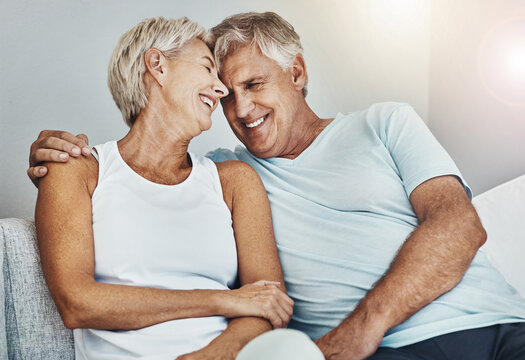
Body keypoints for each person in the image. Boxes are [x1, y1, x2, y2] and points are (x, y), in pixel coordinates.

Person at [29, 12, 525, 360]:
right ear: (158, 68)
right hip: (385, 353)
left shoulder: (384, 122)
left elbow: (458, 224)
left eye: (253, 85)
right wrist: (53, 156)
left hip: (492, 324)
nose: (236, 107)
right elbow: (149, 183)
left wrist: (360, 331)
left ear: (297, 71)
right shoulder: (227, 171)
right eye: (223, 89)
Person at [34, 16, 299, 360]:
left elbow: (268, 306)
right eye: (207, 69)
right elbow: (77, 303)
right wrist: (224, 299)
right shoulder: (75, 169)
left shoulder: (235, 181)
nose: (220, 91)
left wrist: (211, 355)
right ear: (157, 65)